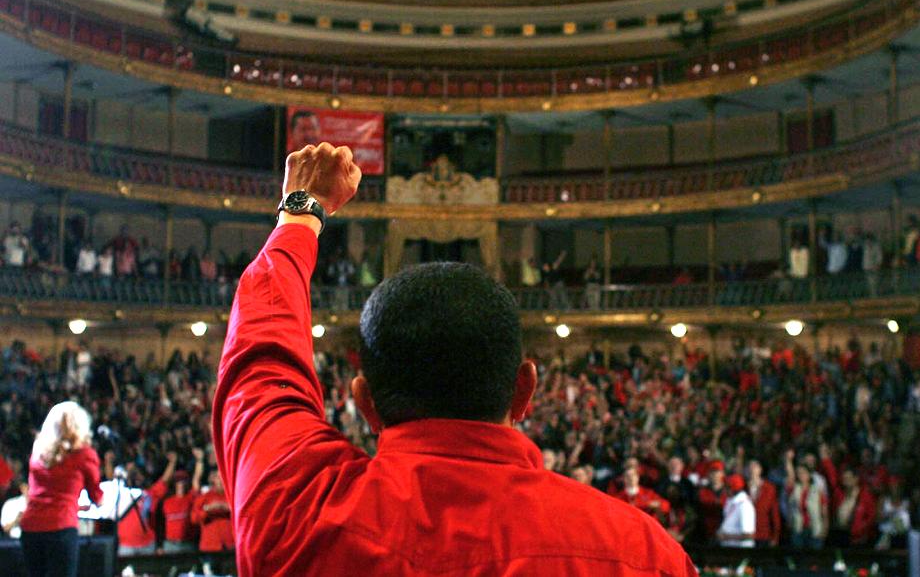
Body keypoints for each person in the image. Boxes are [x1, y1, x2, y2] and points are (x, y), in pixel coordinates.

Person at [214, 143, 696, 576]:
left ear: (365, 401)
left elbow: (260, 362)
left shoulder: (301, 518)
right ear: (524, 390)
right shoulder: (641, 552)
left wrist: (301, 215)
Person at [19, 402, 103, 577]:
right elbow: (97, 497)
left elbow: (40, 490)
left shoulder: (38, 450)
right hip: (60, 527)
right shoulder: (85, 454)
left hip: (31, 527)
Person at [162, 447, 205, 553]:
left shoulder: (190, 497)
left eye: (183, 480)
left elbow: (197, 479)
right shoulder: (167, 502)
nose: (180, 483)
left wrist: (200, 460)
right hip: (170, 544)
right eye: (178, 481)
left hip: (188, 543)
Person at [746, 460, 780, 547]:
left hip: (764, 533)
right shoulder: (743, 487)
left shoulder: (769, 488)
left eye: (755, 467)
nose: (752, 470)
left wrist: (775, 536)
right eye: (750, 467)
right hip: (746, 534)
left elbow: (774, 513)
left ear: (760, 469)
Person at [716, 475, 755, 548]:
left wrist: (726, 537)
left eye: (726, 487)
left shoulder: (745, 505)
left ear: (733, 489)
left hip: (741, 552)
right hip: (729, 548)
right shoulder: (731, 501)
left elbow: (749, 535)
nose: (724, 490)